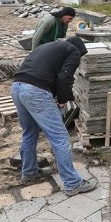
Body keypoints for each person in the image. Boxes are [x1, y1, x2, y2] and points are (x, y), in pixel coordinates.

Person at [11, 36, 98, 195]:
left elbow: (43, 71)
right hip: (35, 91)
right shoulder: (73, 50)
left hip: (17, 87)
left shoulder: (47, 46)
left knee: (29, 132)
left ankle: (29, 172)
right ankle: (72, 184)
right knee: (60, 137)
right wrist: (63, 100)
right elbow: (64, 77)